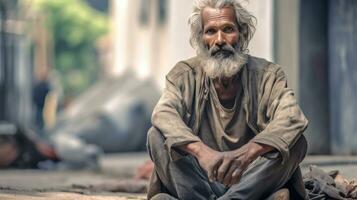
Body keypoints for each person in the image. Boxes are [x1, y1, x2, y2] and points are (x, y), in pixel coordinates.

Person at [147, 0, 308, 199]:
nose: (220, 39)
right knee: (156, 136)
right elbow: (163, 114)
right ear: (200, 39)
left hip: (250, 178)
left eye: (228, 29)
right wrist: (202, 153)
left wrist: (247, 153)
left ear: (242, 34)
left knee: (296, 142)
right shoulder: (183, 75)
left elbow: (292, 118)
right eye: (211, 31)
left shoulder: (268, 75)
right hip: (199, 178)